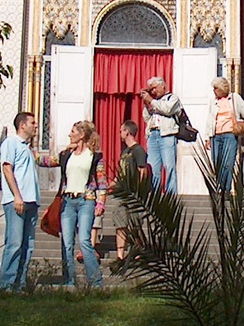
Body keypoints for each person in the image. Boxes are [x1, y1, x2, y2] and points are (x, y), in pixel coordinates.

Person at [44, 120, 106, 287]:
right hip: (68, 202)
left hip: (86, 201)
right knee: (67, 242)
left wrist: (101, 203)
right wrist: (30, 152)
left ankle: (95, 281)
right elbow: (48, 161)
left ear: (81, 135)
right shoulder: (66, 155)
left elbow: (101, 182)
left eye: (72, 131)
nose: (69, 134)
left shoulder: (95, 156)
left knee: (85, 240)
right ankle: (69, 280)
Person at [0, 111, 42, 291]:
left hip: (31, 201)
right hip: (17, 201)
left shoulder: (28, 148)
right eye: (33, 123)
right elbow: (7, 169)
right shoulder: (11, 142)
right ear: (22, 125)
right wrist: (17, 195)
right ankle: (6, 285)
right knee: (14, 243)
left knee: (27, 245)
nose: (36, 126)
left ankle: (19, 284)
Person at [102, 119, 150, 259]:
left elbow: (143, 171)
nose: (119, 134)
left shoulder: (138, 150)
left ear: (127, 132)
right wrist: (108, 187)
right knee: (120, 223)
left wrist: (140, 191)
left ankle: (138, 252)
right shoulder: (124, 152)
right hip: (121, 193)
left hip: (133, 193)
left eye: (121, 131)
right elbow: (120, 174)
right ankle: (120, 256)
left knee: (135, 223)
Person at [204, 76, 244, 191]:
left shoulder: (234, 98)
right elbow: (209, 119)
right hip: (216, 136)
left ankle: (225, 190)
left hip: (229, 134)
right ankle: (219, 187)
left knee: (228, 163)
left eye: (216, 88)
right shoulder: (213, 102)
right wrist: (207, 137)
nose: (214, 91)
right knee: (217, 162)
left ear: (222, 88)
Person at [139, 76, 181, 193]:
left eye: (155, 88)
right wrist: (147, 105)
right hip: (153, 134)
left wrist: (151, 101)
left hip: (167, 135)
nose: (153, 92)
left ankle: (171, 195)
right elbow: (147, 118)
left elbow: (168, 109)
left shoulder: (172, 98)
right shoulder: (154, 102)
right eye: (151, 90)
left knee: (169, 166)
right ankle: (155, 194)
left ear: (163, 86)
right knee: (153, 167)